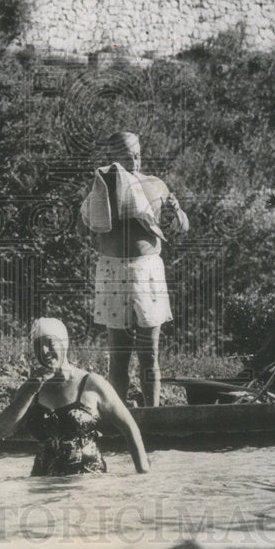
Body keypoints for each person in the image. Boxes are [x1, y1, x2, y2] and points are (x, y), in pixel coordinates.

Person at [77, 131, 189, 407]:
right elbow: (82, 228)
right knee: (119, 356)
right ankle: (120, 418)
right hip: (112, 272)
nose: (135, 162)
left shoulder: (155, 184)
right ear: (114, 158)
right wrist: (97, 201)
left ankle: (152, 416)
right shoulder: (102, 184)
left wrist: (175, 211)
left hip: (146, 270)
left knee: (149, 353)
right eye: (127, 157)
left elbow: (182, 228)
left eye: (137, 155)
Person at [0, 318, 150, 475]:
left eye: (49, 343)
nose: (44, 351)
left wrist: (143, 473)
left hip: (87, 484)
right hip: (44, 487)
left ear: (64, 344)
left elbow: (129, 426)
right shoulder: (30, 389)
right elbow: (2, 431)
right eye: (38, 346)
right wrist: (31, 390)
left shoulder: (91, 384)